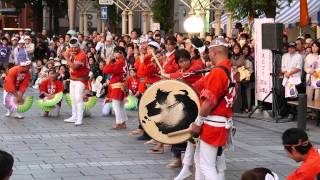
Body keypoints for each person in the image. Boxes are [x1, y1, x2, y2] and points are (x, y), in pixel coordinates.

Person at [191, 38, 237, 180]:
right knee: (200, 160)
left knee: (207, 165)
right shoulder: (230, 70)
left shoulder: (217, 72)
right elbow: (199, 84)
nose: (208, 55)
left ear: (214, 52)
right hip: (221, 121)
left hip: (212, 122)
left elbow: (209, 102)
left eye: (209, 52)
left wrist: (198, 123)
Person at [63, 37, 89, 126]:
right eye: (72, 47)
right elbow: (61, 54)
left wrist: (66, 57)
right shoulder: (70, 49)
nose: (73, 49)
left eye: (76, 47)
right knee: (73, 98)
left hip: (81, 80)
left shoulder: (82, 54)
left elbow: (74, 67)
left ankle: (79, 118)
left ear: (79, 45)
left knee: (78, 98)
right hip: (73, 79)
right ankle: (74, 116)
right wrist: (66, 53)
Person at [103, 46, 128, 129]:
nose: (114, 54)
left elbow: (106, 70)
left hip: (117, 85)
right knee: (120, 105)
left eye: (115, 52)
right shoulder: (123, 61)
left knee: (116, 105)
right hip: (120, 84)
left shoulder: (120, 62)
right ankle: (123, 121)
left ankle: (119, 122)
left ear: (121, 53)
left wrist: (108, 63)